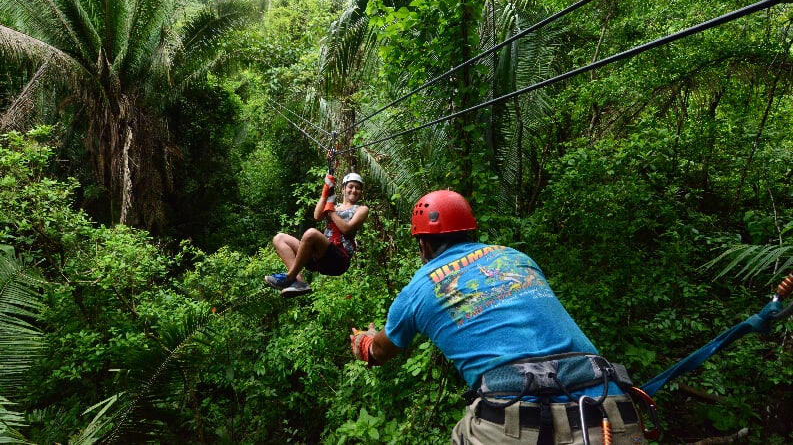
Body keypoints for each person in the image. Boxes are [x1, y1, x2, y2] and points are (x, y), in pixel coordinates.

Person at [350, 190, 647, 444]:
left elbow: (379, 350)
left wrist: (363, 343)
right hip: (607, 410)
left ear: (424, 245)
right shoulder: (516, 257)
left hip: (513, 420)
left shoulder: (420, 288)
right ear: (470, 231)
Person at [266, 172, 369, 297]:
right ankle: (300, 282)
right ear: (343, 189)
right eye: (351, 186)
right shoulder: (334, 206)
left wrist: (331, 211)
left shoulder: (361, 209)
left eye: (357, 188)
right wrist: (325, 193)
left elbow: (346, 229)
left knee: (311, 233)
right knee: (279, 238)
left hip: (339, 259)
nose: (354, 190)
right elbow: (317, 216)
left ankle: (289, 277)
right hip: (320, 257)